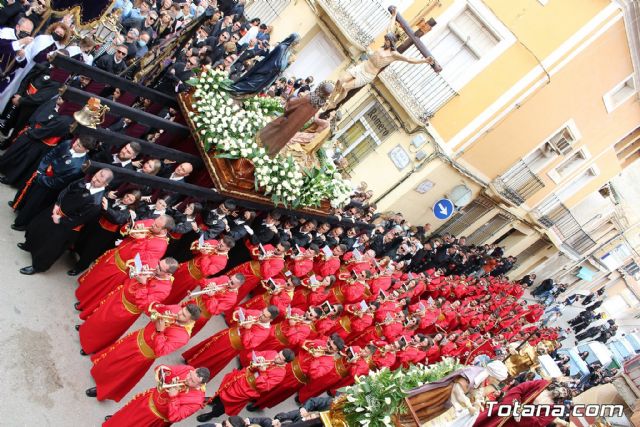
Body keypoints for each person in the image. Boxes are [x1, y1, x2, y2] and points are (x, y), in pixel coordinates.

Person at [86, 303, 201, 402]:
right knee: (114, 355)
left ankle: (102, 389)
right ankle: (99, 372)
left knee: (121, 371)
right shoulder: (176, 309)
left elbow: (161, 351)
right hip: (137, 337)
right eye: (182, 310)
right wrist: (156, 312)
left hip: (142, 354)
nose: (179, 313)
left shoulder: (183, 337)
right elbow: (156, 309)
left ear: (190, 321)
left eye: (183, 315)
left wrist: (160, 331)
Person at [327, 8, 434, 109]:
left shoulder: (394, 54)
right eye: (386, 39)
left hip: (367, 75)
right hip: (362, 66)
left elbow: (409, 59)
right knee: (340, 80)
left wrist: (424, 60)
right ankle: (331, 99)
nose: (385, 40)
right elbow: (389, 29)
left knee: (346, 88)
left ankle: (334, 104)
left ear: (391, 42)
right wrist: (394, 15)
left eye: (387, 40)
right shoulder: (384, 45)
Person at [18, 168, 113, 274]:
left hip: (66, 224)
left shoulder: (96, 203)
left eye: (98, 181)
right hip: (57, 210)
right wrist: (57, 204)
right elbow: (67, 189)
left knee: (50, 247)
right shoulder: (84, 181)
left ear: (106, 184)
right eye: (95, 177)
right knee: (37, 227)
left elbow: (79, 219)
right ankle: (29, 245)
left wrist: (60, 220)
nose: (94, 180)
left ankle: (37, 266)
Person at [77, 257, 179, 354]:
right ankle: (84, 330)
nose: (156, 267)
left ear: (168, 274)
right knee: (99, 314)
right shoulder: (154, 266)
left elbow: (145, 306)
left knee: (106, 327)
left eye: (160, 269)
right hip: (119, 295)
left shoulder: (164, 290)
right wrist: (139, 270)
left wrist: (143, 284)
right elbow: (134, 269)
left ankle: (90, 346)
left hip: (126, 310)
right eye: (158, 263)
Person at [75, 215, 174, 312]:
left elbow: (142, 263)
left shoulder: (160, 246)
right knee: (96, 276)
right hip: (115, 255)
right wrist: (133, 227)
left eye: (156, 226)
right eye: (154, 222)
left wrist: (140, 240)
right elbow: (129, 227)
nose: (152, 225)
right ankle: (83, 292)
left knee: (101, 290)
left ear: (164, 231)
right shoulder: (152, 223)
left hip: (121, 269)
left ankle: (86, 304)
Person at [10, 135, 96, 230]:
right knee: (27, 192)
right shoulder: (68, 144)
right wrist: (41, 170)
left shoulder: (78, 167)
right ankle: (18, 205)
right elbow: (50, 155)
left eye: (79, 146)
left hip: (49, 187)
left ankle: (22, 223)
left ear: (87, 150)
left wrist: (40, 178)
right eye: (77, 142)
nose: (75, 145)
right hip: (42, 173)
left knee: (34, 204)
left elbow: (58, 183)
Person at [196, 349, 295, 421]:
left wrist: (263, 372)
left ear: (285, 363)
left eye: (280, 358)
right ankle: (214, 400)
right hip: (242, 376)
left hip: (247, 389)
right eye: (278, 354)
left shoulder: (280, 374)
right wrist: (259, 356)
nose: (276, 357)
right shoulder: (273, 353)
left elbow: (264, 387)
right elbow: (251, 355)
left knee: (227, 403)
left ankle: (212, 414)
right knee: (224, 388)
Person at [182, 306, 279, 377]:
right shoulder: (258, 314)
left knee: (212, 356)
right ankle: (191, 359)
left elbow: (248, 344)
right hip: (227, 334)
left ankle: (194, 369)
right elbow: (242, 310)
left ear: (270, 319)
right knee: (208, 346)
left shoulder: (264, 332)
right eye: (262, 312)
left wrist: (248, 329)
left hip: (231, 346)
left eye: (264, 316)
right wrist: (241, 315)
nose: (260, 315)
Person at [103, 364, 209, 426]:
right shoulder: (188, 370)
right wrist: (165, 372)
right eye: (190, 375)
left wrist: (173, 397)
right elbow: (166, 369)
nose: (187, 378)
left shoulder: (196, 402)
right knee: (127, 413)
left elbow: (175, 417)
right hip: (149, 398)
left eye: (192, 381)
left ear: (201, 384)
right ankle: (115, 422)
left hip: (154, 417)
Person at [259, 81, 334, 157]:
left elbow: (293, 104)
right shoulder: (320, 104)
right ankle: (271, 151)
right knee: (284, 137)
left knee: (276, 130)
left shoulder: (310, 97)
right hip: (297, 125)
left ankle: (262, 143)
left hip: (291, 119)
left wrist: (292, 100)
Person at [163, 235, 234, 304]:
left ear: (227, 249)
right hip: (184, 266)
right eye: (219, 242)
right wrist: (199, 245)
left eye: (221, 246)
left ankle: (163, 304)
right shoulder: (214, 242)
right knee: (166, 281)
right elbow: (195, 246)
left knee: (175, 291)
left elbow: (206, 271)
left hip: (191, 279)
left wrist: (205, 255)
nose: (218, 245)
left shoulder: (222, 262)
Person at [229, 33, 300, 96]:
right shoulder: (282, 47)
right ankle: (233, 90)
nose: (298, 45)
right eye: (297, 43)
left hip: (270, 74)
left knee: (255, 88)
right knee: (251, 85)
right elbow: (276, 63)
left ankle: (238, 94)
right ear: (293, 42)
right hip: (266, 71)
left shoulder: (286, 50)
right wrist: (279, 68)